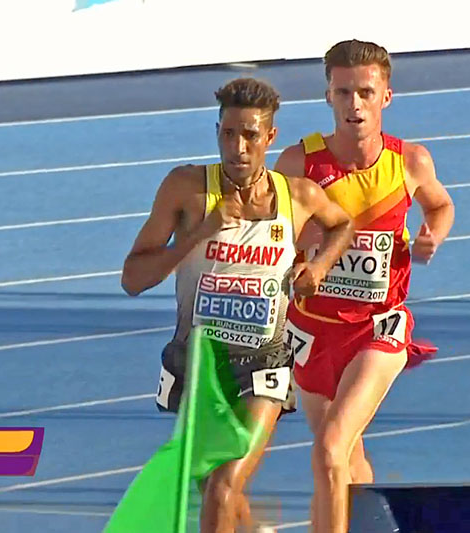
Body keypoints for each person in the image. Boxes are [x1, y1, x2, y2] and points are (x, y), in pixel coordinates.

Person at [121, 77, 354, 533]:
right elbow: (133, 279)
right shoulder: (188, 189)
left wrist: (320, 266)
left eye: (250, 135)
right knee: (214, 489)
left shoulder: (298, 196)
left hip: (263, 363)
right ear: (217, 132)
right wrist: (199, 233)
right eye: (228, 134)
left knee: (223, 486)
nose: (238, 148)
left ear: (270, 136)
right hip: (199, 366)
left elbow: (341, 224)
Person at [274, 40, 455, 533]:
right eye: (343, 92)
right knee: (346, 456)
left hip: (379, 326)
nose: (354, 104)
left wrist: (432, 233)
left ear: (386, 97)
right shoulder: (297, 164)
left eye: (365, 93)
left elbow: (440, 204)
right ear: (328, 97)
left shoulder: (410, 161)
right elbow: (272, 234)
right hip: (312, 329)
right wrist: (302, 246)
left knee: (330, 447)